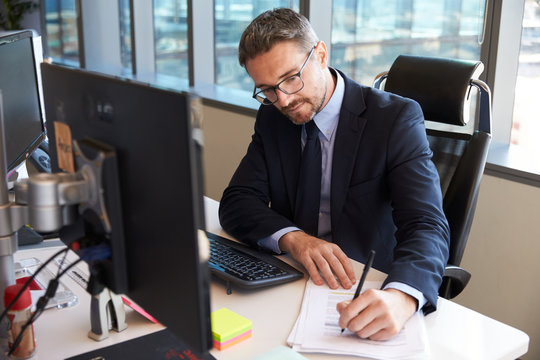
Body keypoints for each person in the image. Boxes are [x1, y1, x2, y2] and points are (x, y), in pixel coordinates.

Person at [218, 8, 450, 341]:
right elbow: (238, 201)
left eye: (290, 78)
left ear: (321, 54)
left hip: (365, 287)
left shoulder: (394, 120)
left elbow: (427, 224)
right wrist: (294, 238)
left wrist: (402, 296)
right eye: (268, 89)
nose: (283, 99)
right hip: (295, 282)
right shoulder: (273, 117)